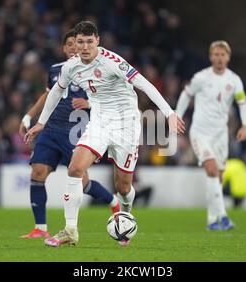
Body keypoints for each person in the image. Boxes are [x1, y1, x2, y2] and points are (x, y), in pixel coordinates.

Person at [25, 21, 185, 247]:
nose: (85, 47)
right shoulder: (71, 66)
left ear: (97, 41)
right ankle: (71, 230)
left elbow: (145, 84)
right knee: (75, 168)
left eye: (90, 42)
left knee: (123, 187)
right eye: (80, 42)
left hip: (126, 125)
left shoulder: (113, 62)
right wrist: (41, 122)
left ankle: (125, 216)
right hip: (99, 123)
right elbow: (55, 93)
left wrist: (169, 113)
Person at [19, 30, 121, 239]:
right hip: (50, 130)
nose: (75, 47)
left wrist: (89, 103)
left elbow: (110, 97)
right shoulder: (56, 69)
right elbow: (48, 96)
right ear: (64, 48)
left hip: (75, 133)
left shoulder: (96, 69)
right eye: (70, 44)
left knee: (82, 183)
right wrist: (28, 117)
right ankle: (40, 228)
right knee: (37, 172)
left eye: (78, 43)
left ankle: (114, 202)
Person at [176, 40, 246, 230]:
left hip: (220, 135)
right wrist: (176, 115)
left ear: (228, 57)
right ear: (211, 56)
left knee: (217, 178)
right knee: (211, 169)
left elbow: (243, 103)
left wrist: (245, 125)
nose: (219, 58)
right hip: (200, 133)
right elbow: (186, 95)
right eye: (216, 54)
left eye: (222, 55)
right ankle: (223, 216)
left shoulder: (234, 80)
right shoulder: (201, 77)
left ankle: (211, 220)